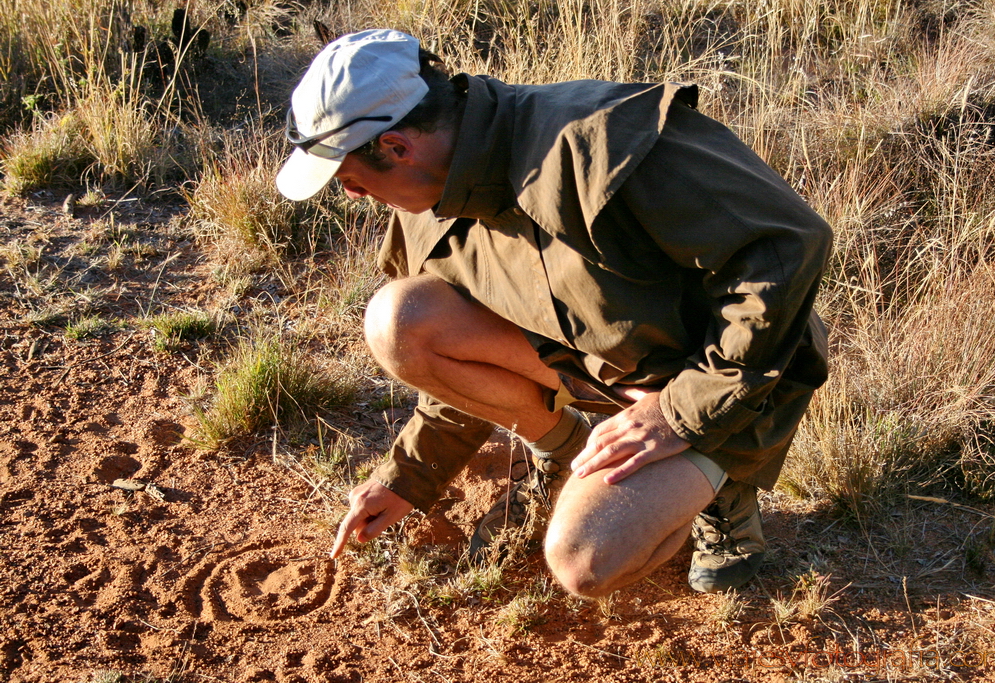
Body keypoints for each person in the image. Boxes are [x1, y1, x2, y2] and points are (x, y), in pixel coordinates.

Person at [276, 29, 832, 597]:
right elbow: (449, 357)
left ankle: (722, 484)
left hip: (725, 370)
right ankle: (566, 452)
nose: (354, 197)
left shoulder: (597, 140)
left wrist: (682, 413)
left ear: (396, 147)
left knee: (584, 561)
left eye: (349, 180)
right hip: (597, 368)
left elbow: (786, 247)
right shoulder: (425, 204)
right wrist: (408, 477)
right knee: (398, 318)